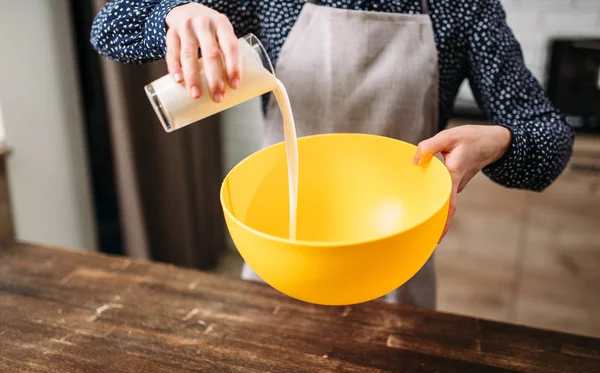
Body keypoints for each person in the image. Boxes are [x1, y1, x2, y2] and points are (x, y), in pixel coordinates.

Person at [90, 0, 574, 309]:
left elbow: (550, 138)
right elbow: (109, 30)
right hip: (278, 256)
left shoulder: (464, 9)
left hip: (393, 261)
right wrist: (174, 12)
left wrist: (502, 142)